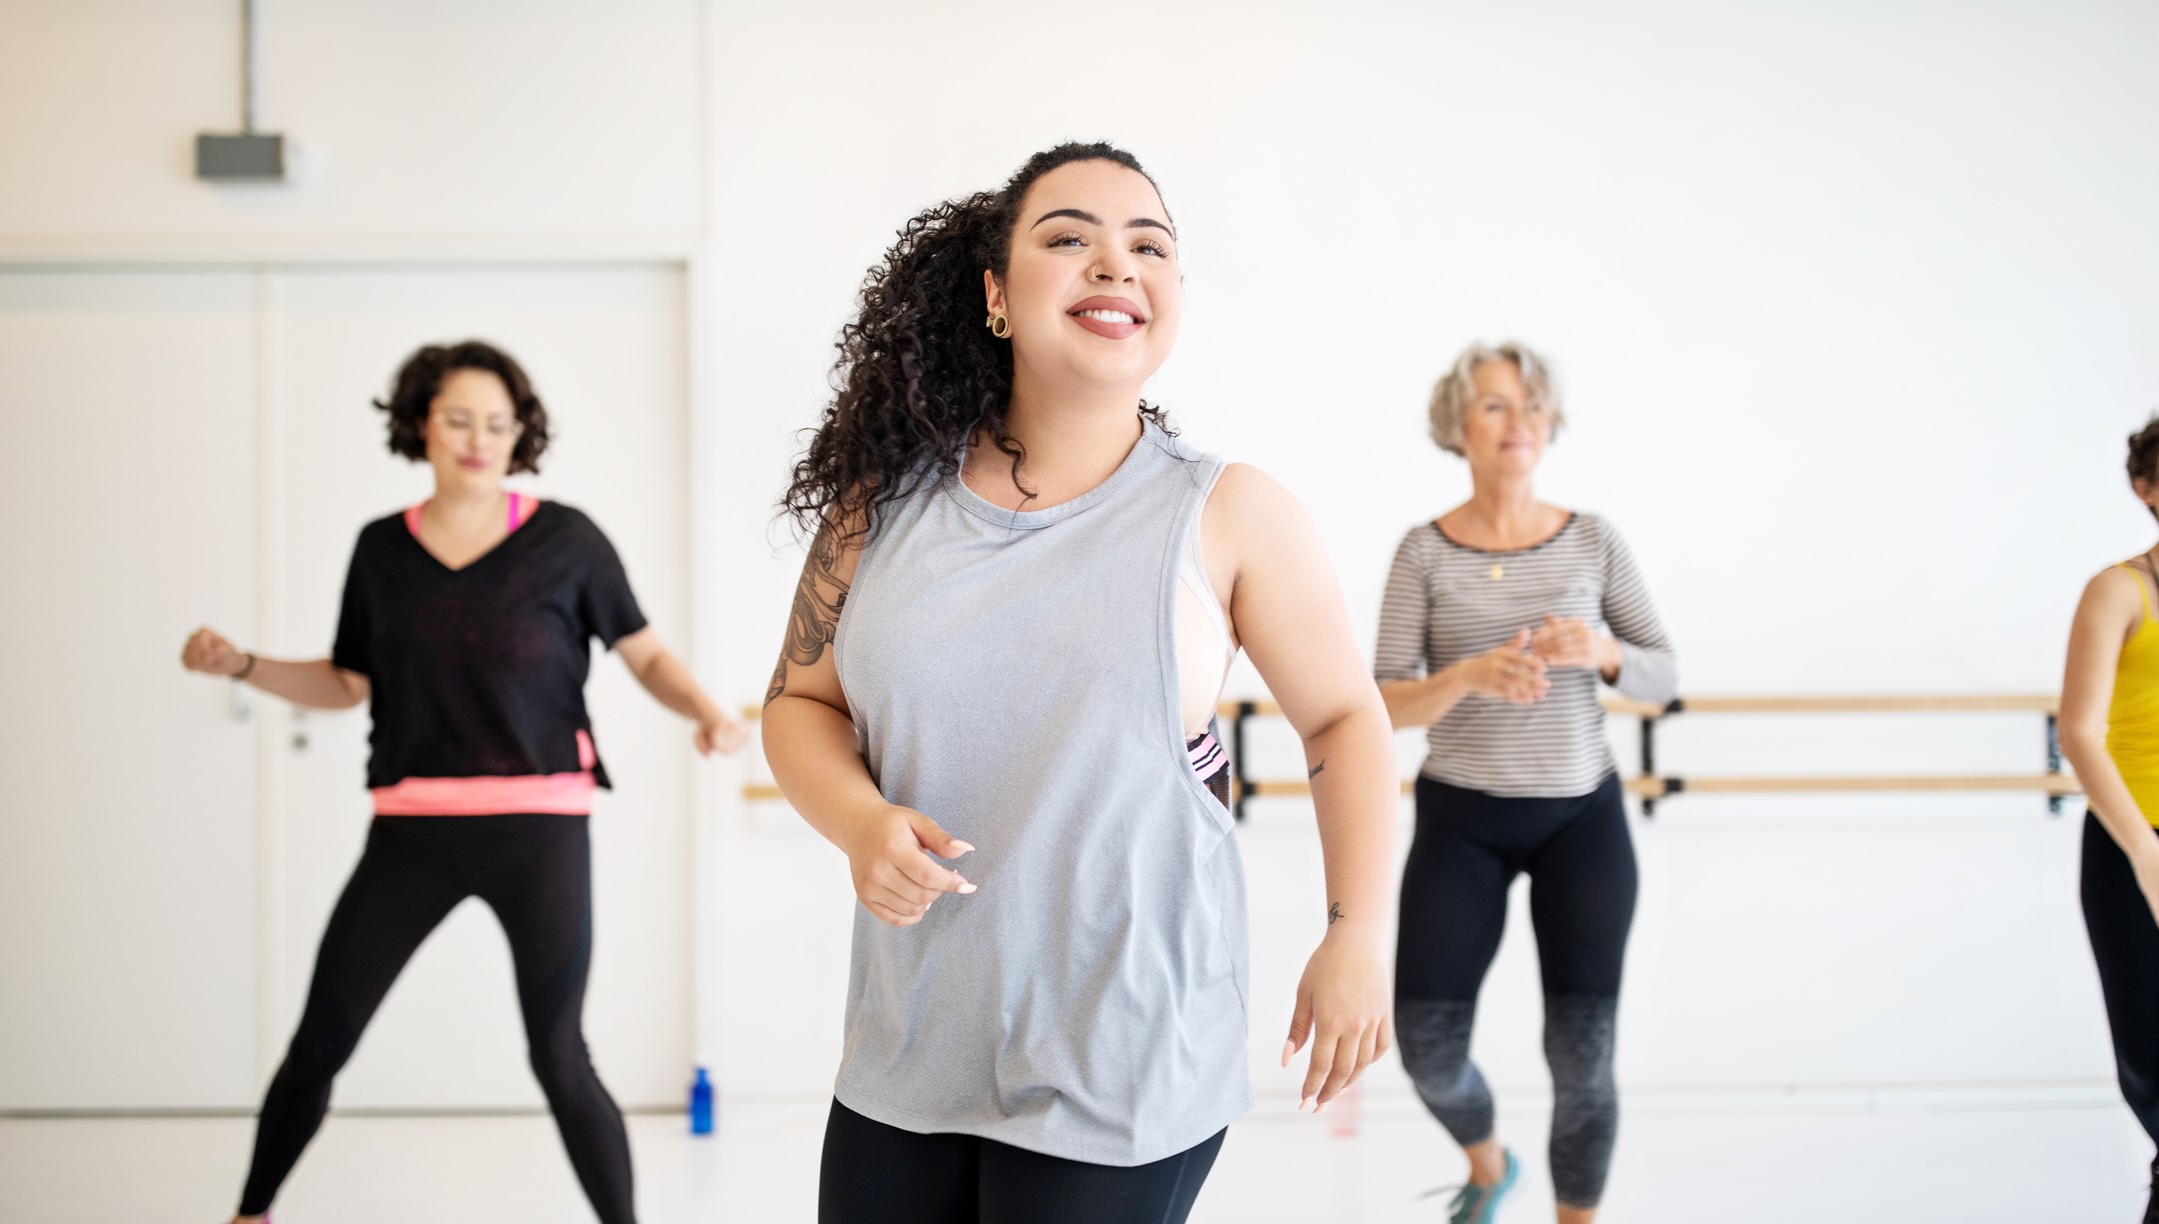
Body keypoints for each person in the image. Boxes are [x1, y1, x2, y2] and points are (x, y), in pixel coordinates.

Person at [760, 142, 1398, 1224]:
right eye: (1069, 239)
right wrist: (861, 822)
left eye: (1148, 246)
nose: (1116, 264)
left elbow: (1343, 718)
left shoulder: (1230, 514)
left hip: (1127, 1053)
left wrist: (1357, 933)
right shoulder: (876, 506)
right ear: (997, 296)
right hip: (907, 1049)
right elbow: (799, 705)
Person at [181, 339, 747, 1224]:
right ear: (420, 426)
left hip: (541, 829)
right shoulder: (379, 551)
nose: (478, 438)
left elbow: (645, 653)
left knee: (559, 1052)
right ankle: (249, 1214)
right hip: (412, 835)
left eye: (497, 422)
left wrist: (707, 712)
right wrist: (245, 664)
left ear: (518, 434)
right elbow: (345, 682)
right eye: (457, 419)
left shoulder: (568, 540)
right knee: (322, 1038)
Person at [1374, 342, 1676, 1223]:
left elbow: (1663, 677)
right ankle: (1488, 1163)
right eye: (1498, 406)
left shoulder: (1593, 540)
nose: (1521, 424)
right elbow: (1383, 703)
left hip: (1582, 819)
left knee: (1582, 1057)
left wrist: (1607, 651)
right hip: (1462, 821)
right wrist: (1465, 676)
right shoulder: (1422, 553)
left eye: (1532, 406)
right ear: (1457, 426)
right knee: (1428, 1049)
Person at [2059, 413, 2159, 1224]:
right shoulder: (2120, 589)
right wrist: (2145, 853)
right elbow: (2080, 732)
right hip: (2135, 845)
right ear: (2146, 489)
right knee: (2155, 1065)